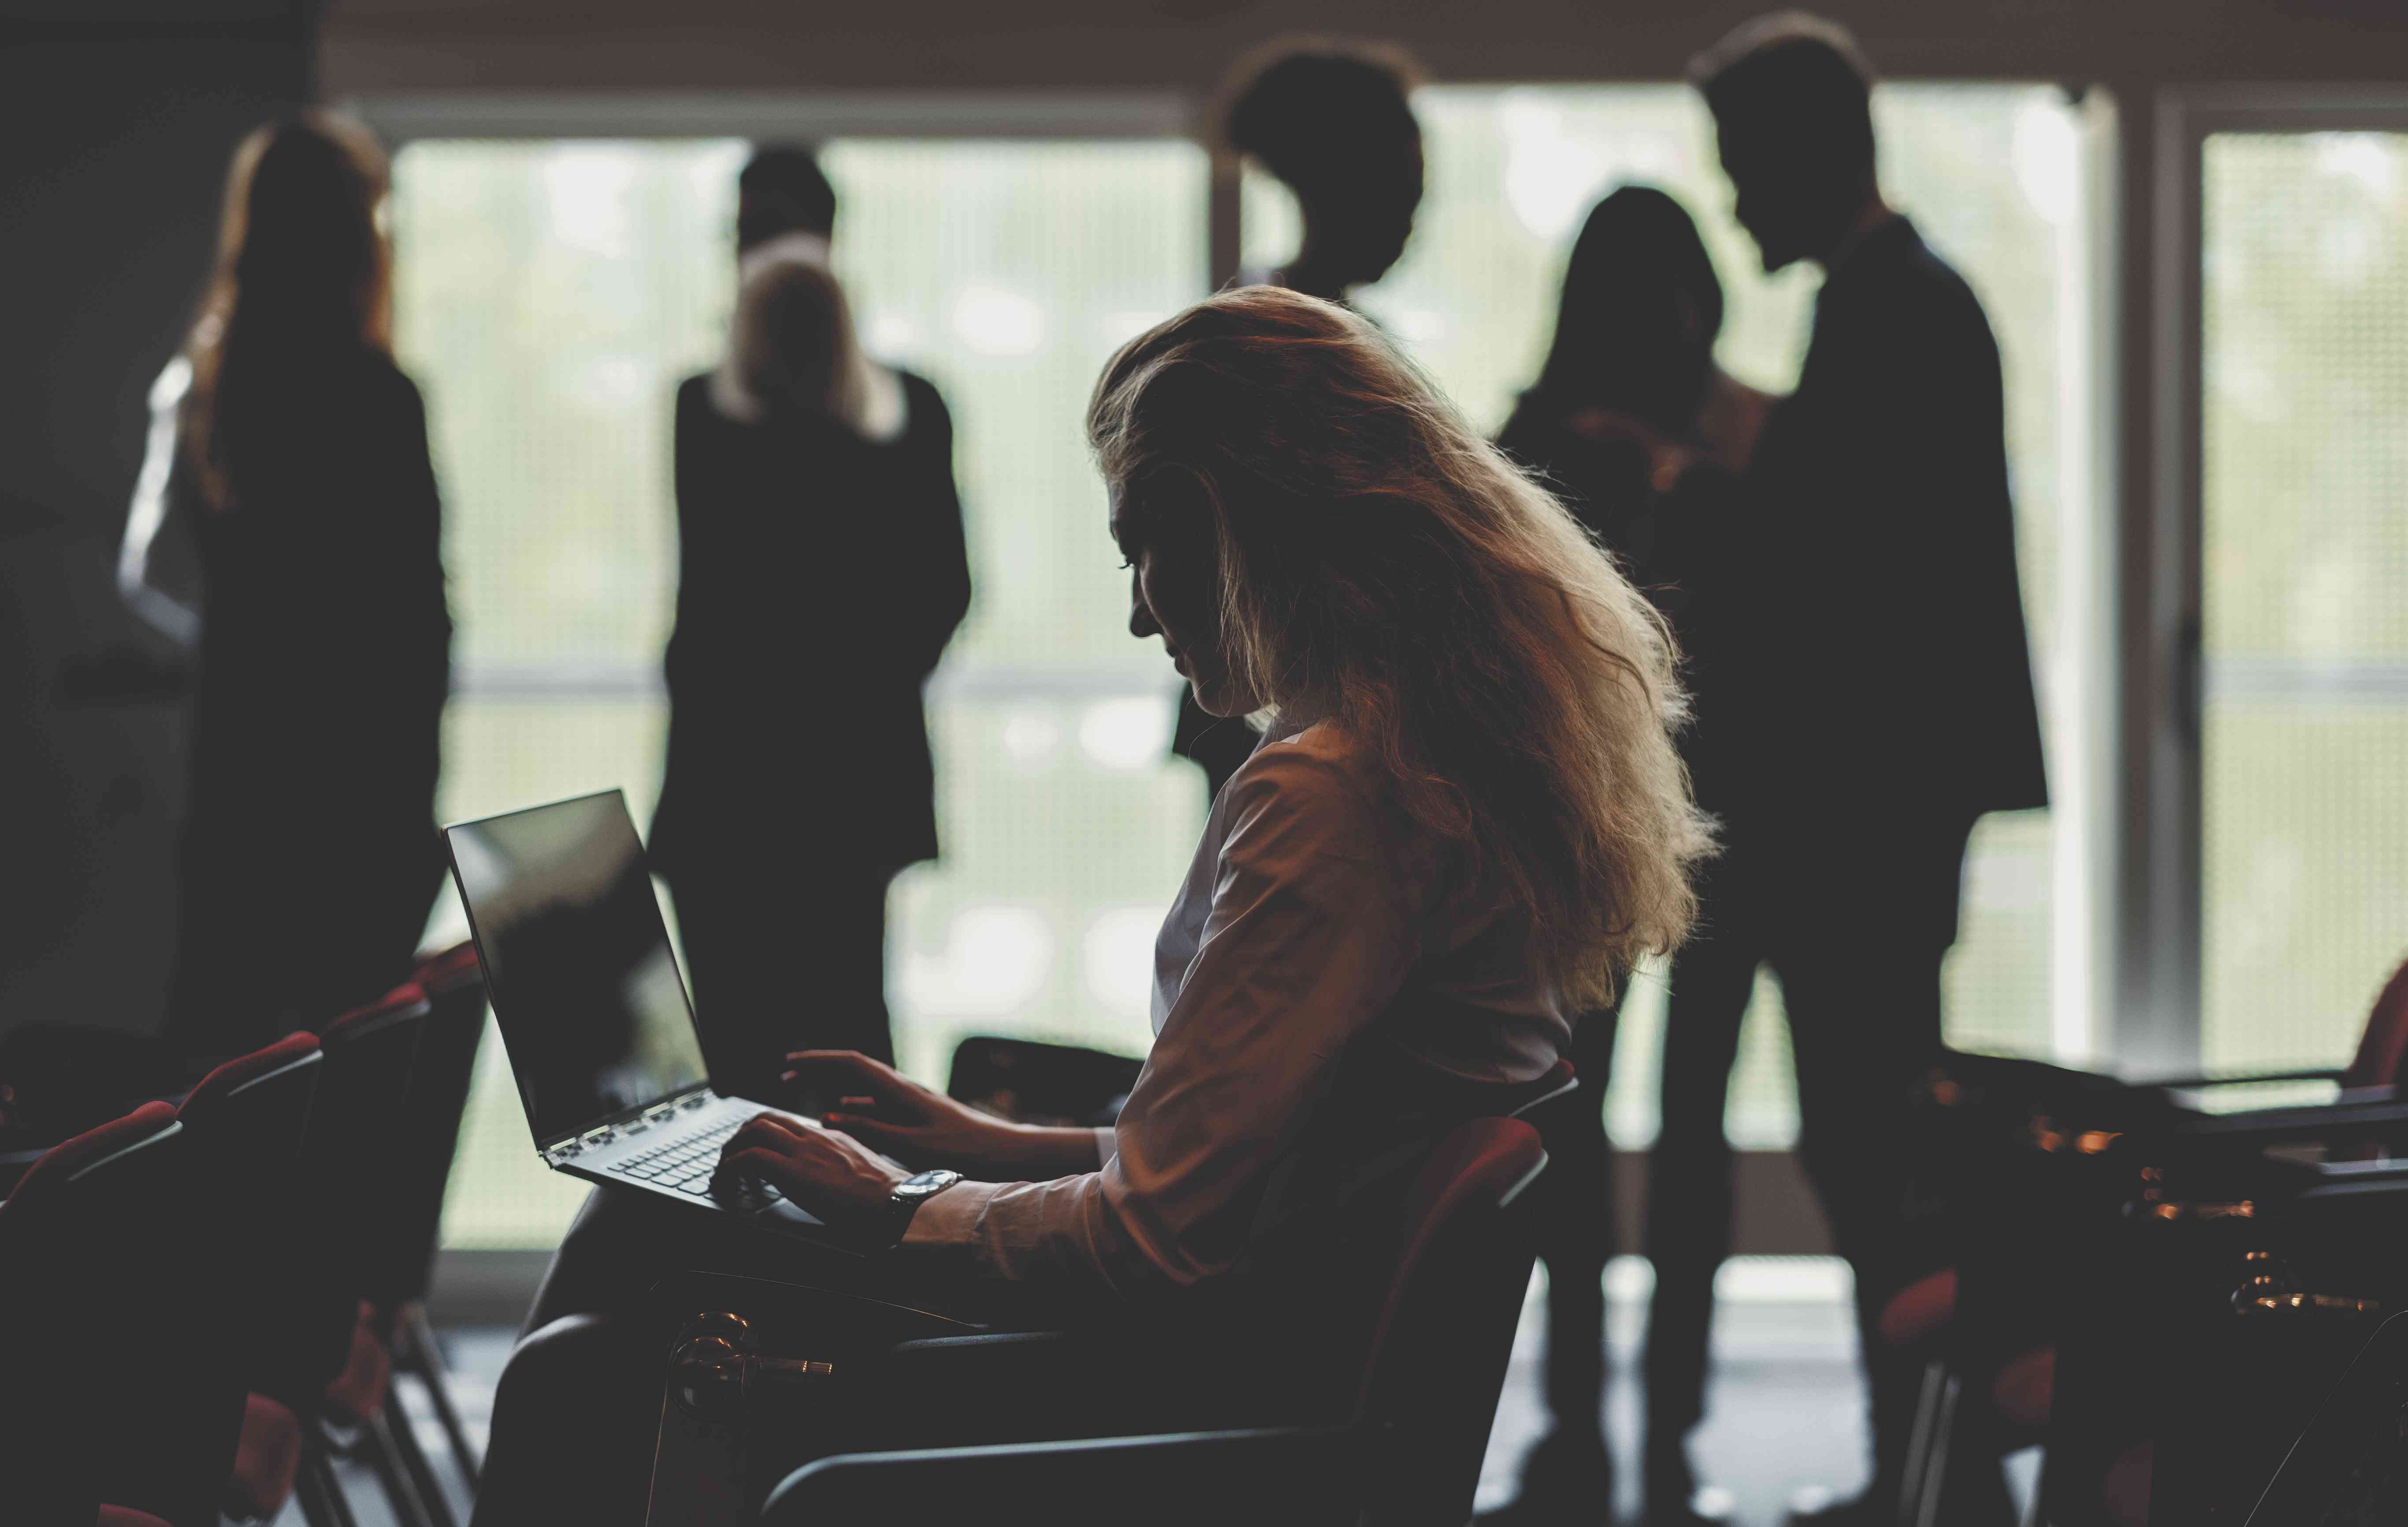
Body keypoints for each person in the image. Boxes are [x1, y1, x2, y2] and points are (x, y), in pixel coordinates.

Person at [476, 285, 1712, 1523]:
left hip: (1193, 1394)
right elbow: (1279, 1165)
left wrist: (892, 1201)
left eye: (1143, 550)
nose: (1136, 611)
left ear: (1240, 524)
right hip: (1256, 1366)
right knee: (647, 1252)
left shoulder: (1333, 793)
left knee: (602, 1334)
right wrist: (972, 1143)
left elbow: (1152, 1244)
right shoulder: (1427, 759)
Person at [1608, 18, 2047, 1526]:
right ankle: (1917, 1466)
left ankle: (1929, 1474)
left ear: (1804, 158)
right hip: (1865, 815)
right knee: (1866, 1140)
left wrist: (1693, 492)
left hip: (1852, 820)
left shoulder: (1892, 313)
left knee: (1869, 1150)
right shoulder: (1899, 306)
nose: (1733, 206)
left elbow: (1841, 577)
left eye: (1742, 171)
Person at [1483, 185, 1774, 1527]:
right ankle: (1649, 1426)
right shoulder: (1718, 435)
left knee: (1585, 1125)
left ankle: (1599, 1423)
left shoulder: (1532, 444)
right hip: (1680, 821)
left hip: (1618, 827)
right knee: (1650, 1126)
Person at [647, 146, 971, 1108]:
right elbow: (945, 594)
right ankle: (859, 1252)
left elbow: (707, 612)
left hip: (728, 787)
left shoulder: (703, 414)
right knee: (845, 1041)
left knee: (745, 1059)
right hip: (848, 786)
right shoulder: (909, 411)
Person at [161, 113, 452, 1055]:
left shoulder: (215, 400)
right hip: (360, 803)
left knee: (231, 1077)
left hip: (241, 789)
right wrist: (417, 815)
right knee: (353, 1096)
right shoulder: (376, 399)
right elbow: (415, 626)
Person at [1166, 38, 1430, 802]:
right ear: (1341, 185)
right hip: (1278, 697)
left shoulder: (1295, 330)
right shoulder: (1273, 344)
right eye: (1402, 187)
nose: (1415, 216)